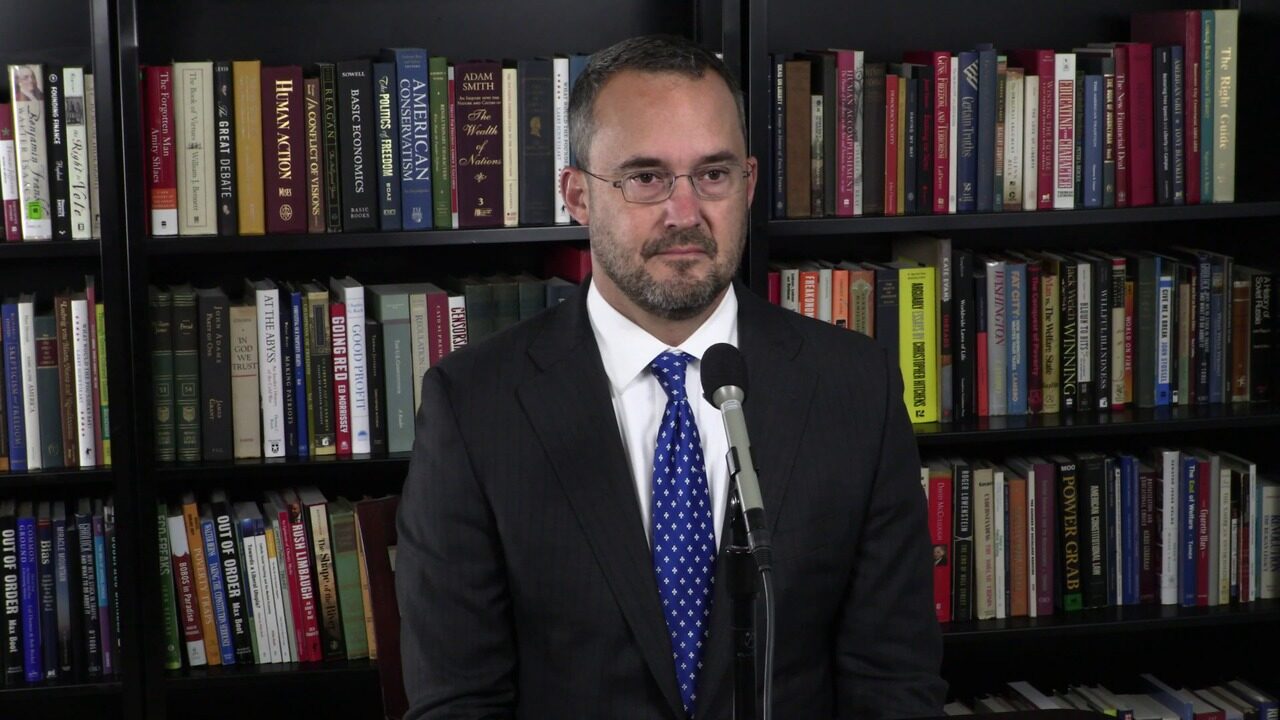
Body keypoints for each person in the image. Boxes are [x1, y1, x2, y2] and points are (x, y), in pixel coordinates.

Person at [397, 34, 946, 719]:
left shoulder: (856, 388)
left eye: (713, 174)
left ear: (748, 183)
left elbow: (894, 683)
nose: (685, 214)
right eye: (646, 178)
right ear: (577, 195)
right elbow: (458, 702)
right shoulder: (475, 406)